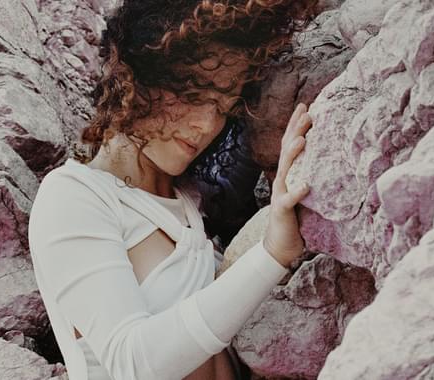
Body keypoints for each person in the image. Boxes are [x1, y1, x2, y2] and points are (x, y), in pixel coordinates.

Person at [27, 0, 317, 379]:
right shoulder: (73, 195)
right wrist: (271, 256)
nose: (206, 125)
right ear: (140, 76)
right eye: (196, 96)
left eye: (223, 108)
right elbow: (132, 363)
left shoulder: (189, 202)